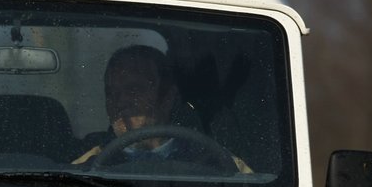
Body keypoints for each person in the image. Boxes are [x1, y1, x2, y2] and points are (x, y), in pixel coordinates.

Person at [73, 44, 251, 172]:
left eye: (134, 89)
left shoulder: (216, 161)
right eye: (112, 92)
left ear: (168, 97)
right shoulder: (86, 165)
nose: (120, 101)